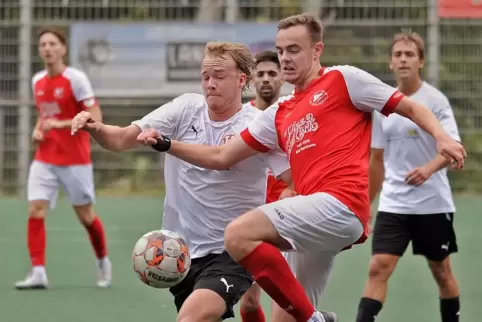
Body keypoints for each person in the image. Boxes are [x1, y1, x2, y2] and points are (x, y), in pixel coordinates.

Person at [114, 13, 467, 322]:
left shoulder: (343, 79)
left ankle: (314, 318)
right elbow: (221, 158)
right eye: (280, 50)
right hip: (314, 215)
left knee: (237, 235)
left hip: (339, 204)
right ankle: (310, 317)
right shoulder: (278, 112)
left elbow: (408, 107)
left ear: (317, 50)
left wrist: (441, 137)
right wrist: (166, 144)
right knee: (284, 316)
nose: (285, 57)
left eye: (294, 49)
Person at [71, 41, 326, 322]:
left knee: (191, 318)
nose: (210, 84)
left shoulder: (257, 125)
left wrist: (293, 197)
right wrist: (94, 128)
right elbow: (119, 139)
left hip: (233, 252)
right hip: (181, 253)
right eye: (206, 77)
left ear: (241, 79)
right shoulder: (185, 109)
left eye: (219, 76)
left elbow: (293, 177)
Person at [355, 31, 462, 322]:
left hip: (432, 203)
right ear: (390, 63)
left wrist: (428, 169)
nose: (403, 59)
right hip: (394, 203)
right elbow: (376, 159)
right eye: (398, 55)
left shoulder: (435, 101)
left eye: (409, 54)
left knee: (441, 271)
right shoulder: (384, 105)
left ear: (421, 62)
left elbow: (452, 146)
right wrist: (365, 207)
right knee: (378, 267)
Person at [15, 28, 111, 290]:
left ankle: (103, 261)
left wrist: (60, 124)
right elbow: (45, 115)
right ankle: (38, 272)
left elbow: (95, 117)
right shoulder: (37, 80)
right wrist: (39, 129)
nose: (47, 48)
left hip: (75, 160)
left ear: (63, 49)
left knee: (86, 216)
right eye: (43, 44)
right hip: (45, 159)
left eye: (52, 44)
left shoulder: (76, 79)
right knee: (35, 209)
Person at [239, 50, 289, 322]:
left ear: (282, 77)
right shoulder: (241, 117)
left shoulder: (293, 114)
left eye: (273, 73)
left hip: (288, 213)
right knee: (248, 301)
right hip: (251, 215)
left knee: (287, 299)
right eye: (261, 74)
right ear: (251, 80)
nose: (267, 79)